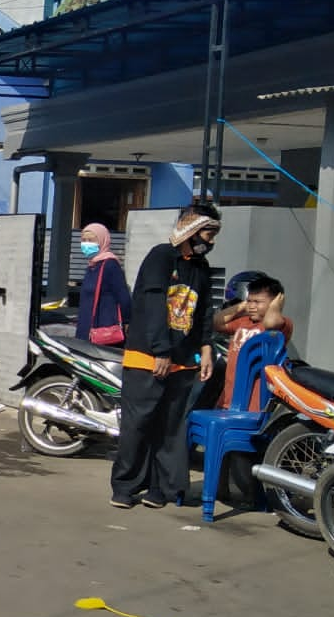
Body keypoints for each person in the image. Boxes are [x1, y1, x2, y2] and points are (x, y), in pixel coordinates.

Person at [110, 205, 221, 509]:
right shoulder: (161, 256)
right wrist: (161, 350)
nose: (211, 240)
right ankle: (125, 486)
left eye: (214, 235)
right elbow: (152, 303)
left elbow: (204, 310)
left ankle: (160, 489)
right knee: (137, 425)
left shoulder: (201, 267)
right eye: (208, 233)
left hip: (183, 361)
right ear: (190, 228)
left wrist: (206, 347)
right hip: (147, 357)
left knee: (170, 429)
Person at [214, 274, 292, 410]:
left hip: (254, 402)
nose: (251, 306)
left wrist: (276, 306)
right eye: (249, 301)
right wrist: (242, 306)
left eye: (257, 302)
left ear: (275, 302)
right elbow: (216, 322)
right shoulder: (243, 322)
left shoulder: (283, 324)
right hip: (230, 397)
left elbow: (270, 323)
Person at [76, 223, 132, 344]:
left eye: (91, 240)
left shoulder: (110, 265)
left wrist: (128, 322)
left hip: (103, 333)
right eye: (83, 240)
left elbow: (123, 297)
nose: (86, 244)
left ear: (102, 241)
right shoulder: (92, 266)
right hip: (85, 332)